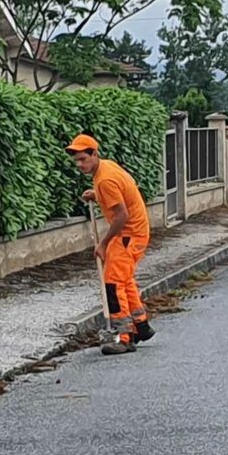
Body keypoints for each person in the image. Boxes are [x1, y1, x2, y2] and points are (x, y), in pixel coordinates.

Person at [66, 134, 154, 356]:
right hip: (136, 232)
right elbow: (120, 194)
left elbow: (121, 215)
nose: (79, 165)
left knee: (113, 283)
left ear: (95, 155)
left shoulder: (105, 179)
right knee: (124, 279)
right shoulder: (106, 169)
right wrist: (97, 196)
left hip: (128, 234)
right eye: (76, 160)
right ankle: (141, 325)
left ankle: (124, 337)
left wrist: (104, 244)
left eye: (83, 159)